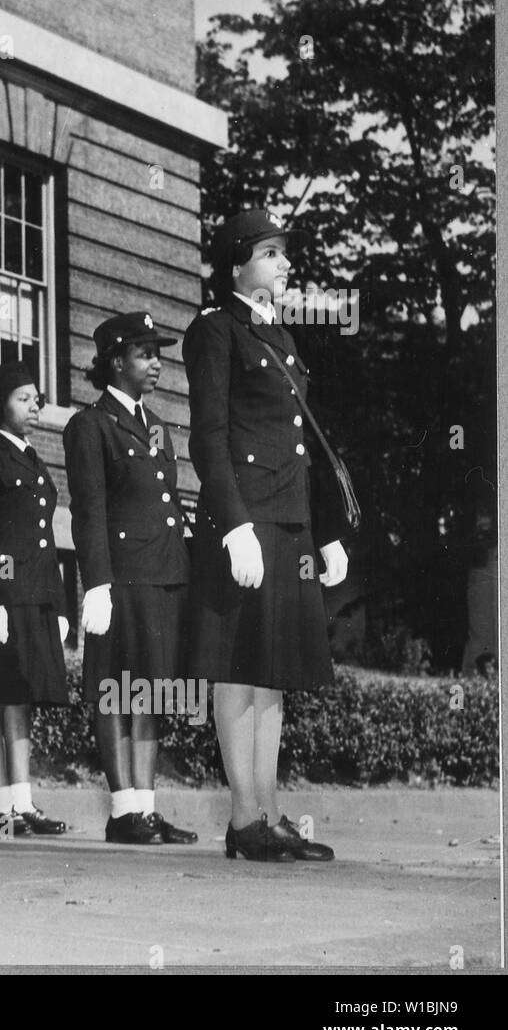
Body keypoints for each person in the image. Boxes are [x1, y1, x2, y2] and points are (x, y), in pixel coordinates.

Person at [185, 208, 351, 862]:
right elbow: (210, 435)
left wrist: (328, 532)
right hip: (248, 523)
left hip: (289, 523)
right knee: (238, 670)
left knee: (274, 675)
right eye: (273, 253)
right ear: (236, 264)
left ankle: (271, 815)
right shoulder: (214, 332)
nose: (286, 265)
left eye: (285, 253)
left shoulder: (281, 339)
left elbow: (303, 440)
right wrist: (234, 525)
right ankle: (243, 819)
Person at [64, 312, 197, 846]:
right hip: (121, 580)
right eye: (145, 355)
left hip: (164, 576)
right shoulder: (90, 426)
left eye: (158, 355)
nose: (157, 364)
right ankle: (123, 811)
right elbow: (89, 510)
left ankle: (146, 807)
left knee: (152, 693)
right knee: (117, 693)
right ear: (116, 362)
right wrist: (96, 583)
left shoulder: (157, 425)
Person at [0, 362, 69, 837]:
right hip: (0, 599)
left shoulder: (36, 463)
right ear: (0, 406)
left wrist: (60, 605)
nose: (35, 405)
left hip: (34, 598)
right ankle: (3, 807)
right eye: (24, 398)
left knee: (19, 698)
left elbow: (46, 540)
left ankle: (23, 803)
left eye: (37, 398)